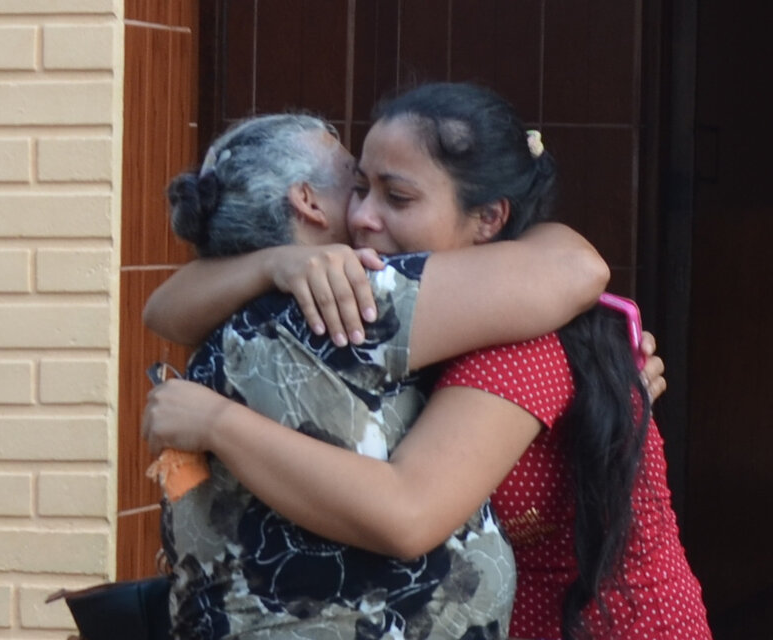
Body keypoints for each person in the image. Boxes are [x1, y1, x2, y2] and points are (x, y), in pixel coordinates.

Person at [143, 83, 707, 640]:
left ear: (488, 218)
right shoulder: (365, 298)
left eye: (398, 197)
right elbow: (162, 310)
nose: (364, 215)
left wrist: (216, 422)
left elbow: (407, 511)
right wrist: (278, 263)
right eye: (360, 187)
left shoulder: (504, 332)